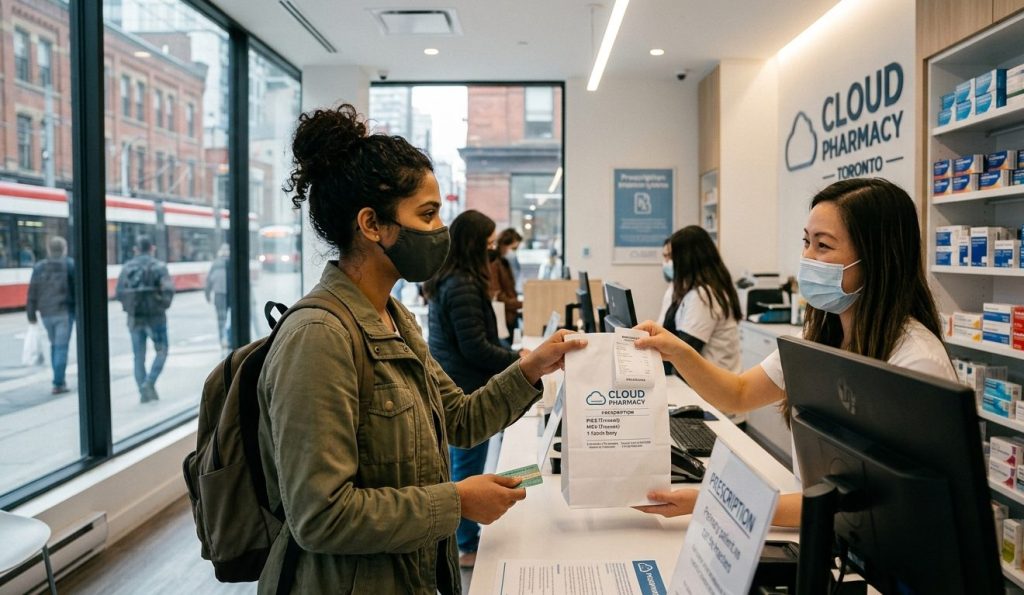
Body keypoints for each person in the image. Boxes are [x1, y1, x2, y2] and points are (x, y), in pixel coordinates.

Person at [258, 103, 585, 594]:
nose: (439, 231)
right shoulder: (319, 338)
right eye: (427, 215)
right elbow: (320, 516)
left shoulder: (394, 318)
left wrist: (531, 368)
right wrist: (456, 502)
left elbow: (461, 418)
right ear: (371, 224)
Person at [633, 178, 955, 527]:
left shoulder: (915, 361)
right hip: (831, 533)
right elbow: (738, 394)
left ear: (876, 258)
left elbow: (871, 503)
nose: (807, 258)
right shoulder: (818, 339)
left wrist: (714, 499)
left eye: (823, 246)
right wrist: (676, 350)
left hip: (882, 559)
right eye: (806, 242)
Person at [423, 211, 525, 568]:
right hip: (464, 384)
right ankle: (465, 545)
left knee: (461, 462)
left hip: (458, 377)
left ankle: (462, 540)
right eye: (488, 243)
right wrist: (520, 361)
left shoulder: (452, 279)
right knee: (467, 466)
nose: (493, 250)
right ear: (473, 244)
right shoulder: (463, 285)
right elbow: (475, 348)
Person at [655, 226, 742, 376]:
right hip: (708, 384)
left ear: (688, 258)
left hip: (715, 389)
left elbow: (683, 353)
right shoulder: (691, 292)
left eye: (672, 257)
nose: (668, 262)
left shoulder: (704, 296)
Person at [115, 235, 175, 403]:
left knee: (138, 356)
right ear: (152, 248)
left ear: (136, 249)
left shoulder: (127, 268)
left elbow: (119, 293)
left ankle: (143, 390)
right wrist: (161, 306)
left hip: (134, 319)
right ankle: (149, 383)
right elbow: (169, 291)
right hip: (156, 318)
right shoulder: (159, 267)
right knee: (162, 350)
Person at [25, 236, 75, 394]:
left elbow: (32, 292)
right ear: (64, 249)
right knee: (61, 347)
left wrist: (31, 314)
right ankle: (58, 382)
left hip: (46, 313)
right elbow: (77, 290)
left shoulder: (39, 267)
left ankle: (58, 379)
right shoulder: (70, 265)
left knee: (54, 345)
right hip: (64, 312)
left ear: (49, 249)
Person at [489, 227, 523, 335]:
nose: (514, 253)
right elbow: (498, 295)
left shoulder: (504, 262)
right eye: (513, 248)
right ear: (503, 244)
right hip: (504, 315)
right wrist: (520, 304)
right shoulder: (494, 263)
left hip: (510, 314)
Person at [205, 243, 230, 348]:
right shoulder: (232, 262)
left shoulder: (215, 264)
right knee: (232, 318)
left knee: (221, 319)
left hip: (219, 295)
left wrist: (207, 294)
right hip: (230, 294)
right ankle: (229, 339)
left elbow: (208, 281)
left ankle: (222, 340)